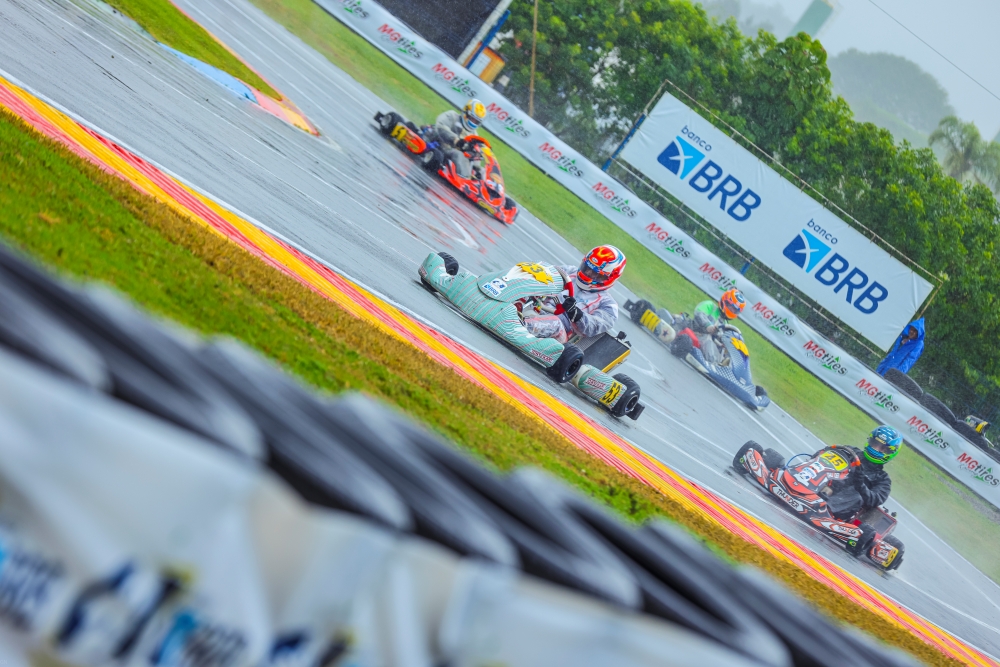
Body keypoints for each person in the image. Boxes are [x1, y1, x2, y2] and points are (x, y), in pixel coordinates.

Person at [522, 245, 626, 344]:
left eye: (596, 274)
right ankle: (515, 312)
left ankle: (521, 327)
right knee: (525, 290)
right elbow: (544, 273)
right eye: (587, 268)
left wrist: (576, 314)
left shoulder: (608, 305)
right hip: (537, 310)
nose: (588, 273)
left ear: (609, 278)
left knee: (556, 322)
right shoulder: (569, 272)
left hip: (561, 334)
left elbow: (594, 325)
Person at [820, 425, 901, 520]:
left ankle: (823, 509)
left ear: (890, 452)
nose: (876, 449)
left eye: (882, 448)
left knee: (857, 495)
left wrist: (860, 485)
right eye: (875, 443)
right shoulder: (850, 451)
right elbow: (823, 457)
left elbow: (874, 499)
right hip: (821, 487)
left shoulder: (882, 479)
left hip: (838, 509)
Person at [426, 99, 487, 179]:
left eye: (476, 121)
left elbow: (475, 153)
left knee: (482, 171)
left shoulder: (474, 135)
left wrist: (477, 167)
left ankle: (472, 179)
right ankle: (464, 178)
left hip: (458, 156)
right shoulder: (453, 116)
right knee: (458, 154)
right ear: (466, 113)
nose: (473, 122)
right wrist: (455, 140)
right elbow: (440, 126)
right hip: (442, 145)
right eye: (472, 119)